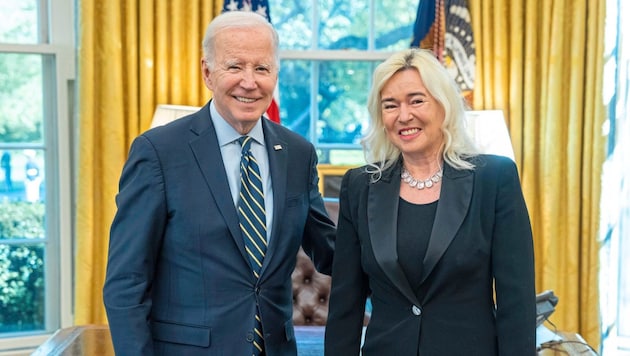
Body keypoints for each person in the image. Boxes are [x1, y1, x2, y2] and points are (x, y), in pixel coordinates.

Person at [103, 11, 336, 356]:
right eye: (235, 66)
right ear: (207, 72)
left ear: (275, 74)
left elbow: (331, 251)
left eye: (261, 68)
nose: (249, 81)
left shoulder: (298, 153)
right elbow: (126, 282)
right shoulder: (158, 153)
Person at [324, 48, 536, 356]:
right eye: (390, 105)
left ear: (443, 105)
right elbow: (346, 303)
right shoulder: (360, 186)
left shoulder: (495, 179)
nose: (404, 115)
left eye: (416, 100)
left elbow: (516, 303)